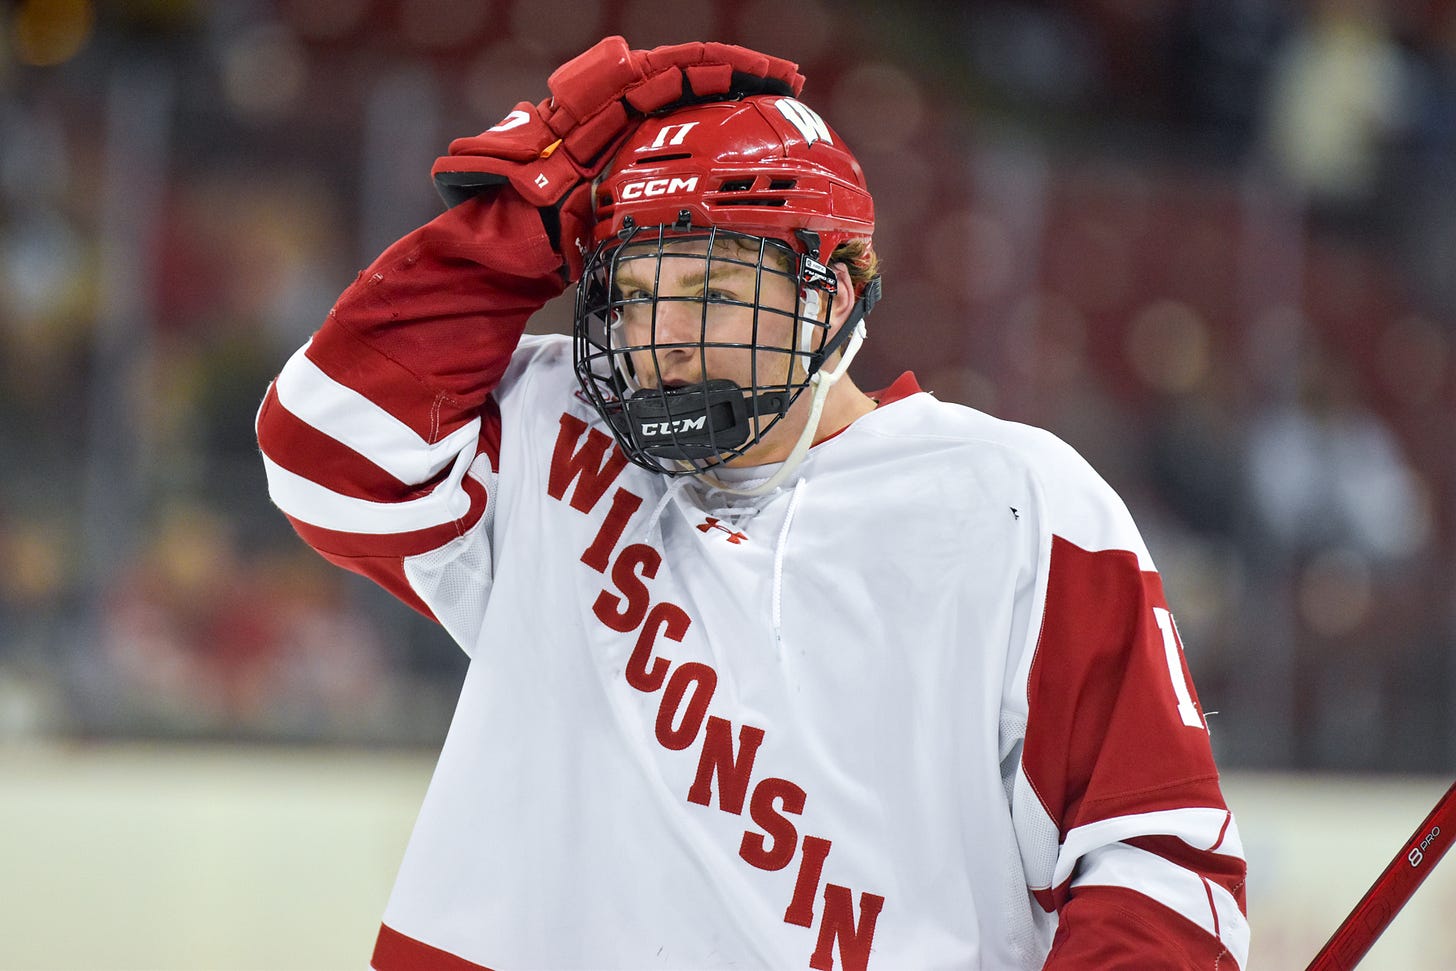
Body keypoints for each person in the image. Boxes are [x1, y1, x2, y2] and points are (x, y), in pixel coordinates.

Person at [256, 36, 1249, 971]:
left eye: (717, 295)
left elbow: (1155, 858)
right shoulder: (546, 422)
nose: (666, 340)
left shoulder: (1012, 502)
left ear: (834, 292)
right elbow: (322, 452)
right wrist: (532, 201)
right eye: (635, 296)